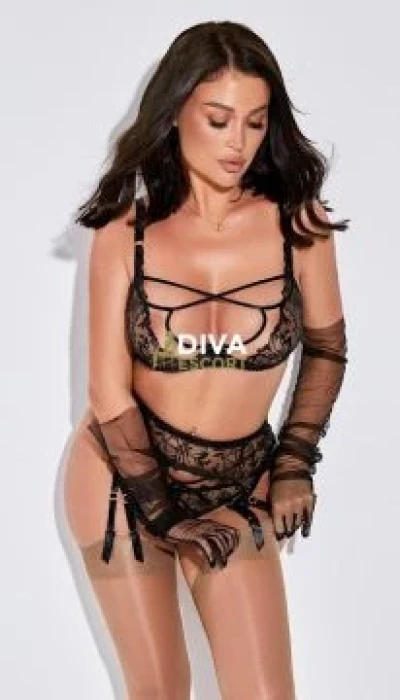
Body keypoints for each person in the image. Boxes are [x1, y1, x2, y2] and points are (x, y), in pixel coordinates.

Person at [63, 19, 349, 700]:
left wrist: (294, 463)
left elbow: (328, 347)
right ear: (174, 112)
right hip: (121, 477)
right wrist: (166, 517)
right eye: (218, 120)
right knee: (162, 689)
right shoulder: (124, 233)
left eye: (255, 122)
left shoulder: (299, 223)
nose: (237, 143)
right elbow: (108, 393)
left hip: (237, 481)